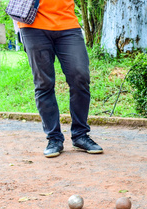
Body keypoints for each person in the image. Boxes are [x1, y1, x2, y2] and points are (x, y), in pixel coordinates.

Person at [18, 0, 103, 158]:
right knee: (44, 83)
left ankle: (80, 135)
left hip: (67, 24)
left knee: (80, 77)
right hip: (33, 25)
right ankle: (54, 138)